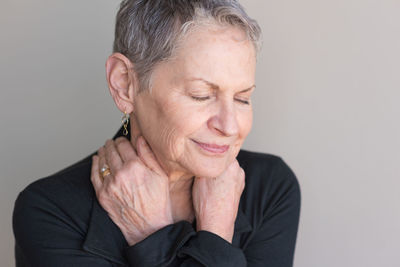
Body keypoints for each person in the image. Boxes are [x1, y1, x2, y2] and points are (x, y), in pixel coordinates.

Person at [12, 0, 301, 266]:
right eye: (200, 95)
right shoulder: (50, 213)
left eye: (242, 98)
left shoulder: (270, 187)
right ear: (125, 84)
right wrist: (206, 239)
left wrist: (157, 233)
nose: (229, 126)